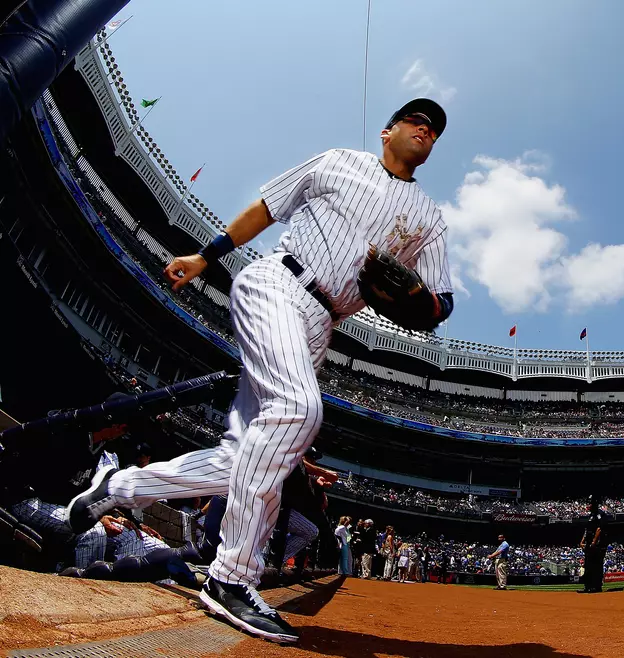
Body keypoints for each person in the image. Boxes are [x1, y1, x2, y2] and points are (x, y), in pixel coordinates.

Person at [65, 98, 454, 643]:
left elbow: (440, 303)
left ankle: (122, 485)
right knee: (297, 409)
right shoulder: (337, 161)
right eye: (417, 120)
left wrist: (417, 301)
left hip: (324, 324)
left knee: (243, 456)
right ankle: (231, 576)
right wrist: (206, 256)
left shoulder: (429, 218)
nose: (426, 130)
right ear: (388, 130)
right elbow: (267, 209)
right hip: (279, 282)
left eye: (435, 129)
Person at [579, 495, 609, 594]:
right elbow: (587, 530)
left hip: (597, 545)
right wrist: (582, 541)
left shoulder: (600, 514)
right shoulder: (590, 515)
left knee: (597, 565)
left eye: (590, 503)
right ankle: (587, 586)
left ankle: (597, 586)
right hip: (589, 543)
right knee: (588, 565)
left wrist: (594, 542)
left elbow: (599, 529)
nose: (588, 505)